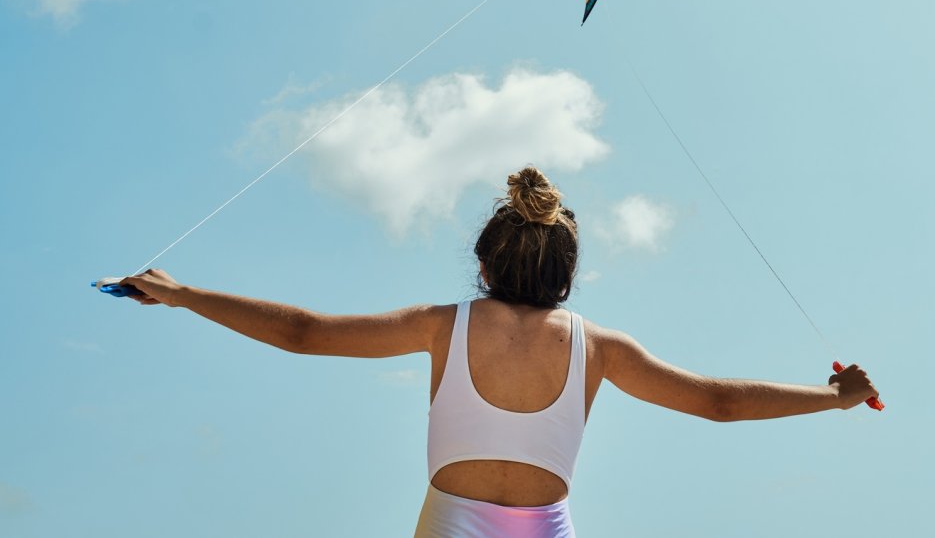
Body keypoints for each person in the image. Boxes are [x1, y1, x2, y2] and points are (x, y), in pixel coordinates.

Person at [120, 166, 878, 537]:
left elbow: (304, 333)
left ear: (483, 266)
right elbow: (721, 402)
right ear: (568, 277)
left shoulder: (440, 324)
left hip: (452, 522)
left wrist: (184, 293)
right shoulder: (600, 347)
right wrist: (836, 397)